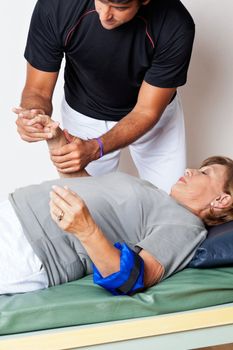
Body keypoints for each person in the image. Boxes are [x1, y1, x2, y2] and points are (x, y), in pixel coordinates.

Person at [1, 116, 233, 295]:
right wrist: (58, 143)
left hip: (29, 247)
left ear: (222, 200)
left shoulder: (185, 226)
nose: (189, 170)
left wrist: (86, 230)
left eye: (204, 173)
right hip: (15, 212)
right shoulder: (159, 197)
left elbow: (130, 280)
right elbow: (88, 193)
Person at [13, 0, 195, 193]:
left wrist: (96, 147)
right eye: (101, 1)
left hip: (153, 117)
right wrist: (33, 114)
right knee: (87, 202)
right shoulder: (57, 5)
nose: (104, 15)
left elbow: (146, 112)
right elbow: (38, 90)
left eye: (119, 8)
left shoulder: (176, 24)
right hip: (84, 113)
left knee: (173, 202)